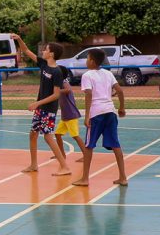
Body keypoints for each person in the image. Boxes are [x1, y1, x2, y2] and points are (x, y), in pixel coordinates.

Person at [11, 34, 70, 176]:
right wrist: (18, 39)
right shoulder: (43, 65)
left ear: (52, 54)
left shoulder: (56, 72)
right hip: (40, 108)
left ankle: (65, 167)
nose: (43, 51)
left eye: (45, 49)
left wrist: (38, 102)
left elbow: (56, 94)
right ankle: (33, 164)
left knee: (48, 136)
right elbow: (26, 51)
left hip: (49, 109)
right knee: (33, 134)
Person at [75, 48, 128, 187]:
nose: (86, 61)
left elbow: (89, 95)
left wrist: (87, 116)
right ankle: (123, 177)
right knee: (115, 144)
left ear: (92, 61)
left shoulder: (87, 75)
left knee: (89, 146)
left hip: (96, 113)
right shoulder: (108, 74)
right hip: (110, 111)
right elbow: (120, 91)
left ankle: (85, 179)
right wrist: (122, 108)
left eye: (87, 58)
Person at [53, 64, 90, 173]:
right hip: (65, 116)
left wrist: (57, 91)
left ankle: (86, 155)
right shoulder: (59, 83)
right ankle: (62, 155)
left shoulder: (64, 82)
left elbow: (68, 90)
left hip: (71, 114)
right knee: (57, 134)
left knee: (75, 136)